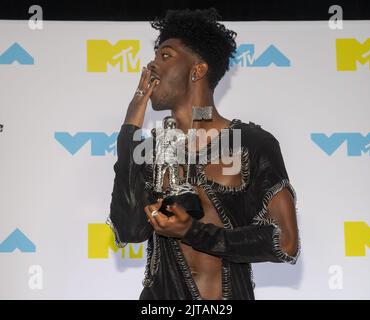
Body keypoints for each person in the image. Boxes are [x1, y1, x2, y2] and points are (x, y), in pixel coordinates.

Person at [108, 8, 300, 300]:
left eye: (166, 56)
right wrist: (130, 125)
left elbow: (286, 243)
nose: (152, 65)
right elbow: (130, 229)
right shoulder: (150, 148)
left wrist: (192, 232)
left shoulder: (252, 143)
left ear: (197, 70)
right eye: (155, 56)